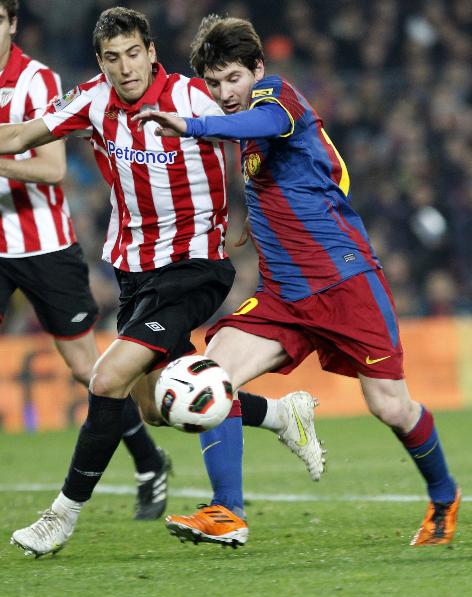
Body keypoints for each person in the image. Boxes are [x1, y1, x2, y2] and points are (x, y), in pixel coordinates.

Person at [5, 7, 324, 558]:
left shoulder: (193, 99)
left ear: (151, 52)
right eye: (112, 58)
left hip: (194, 268)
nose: (125, 68)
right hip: (132, 272)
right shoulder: (90, 99)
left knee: (106, 380)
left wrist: (260, 213)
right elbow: (21, 136)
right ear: (100, 63)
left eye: (133, 53)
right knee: (158, 407)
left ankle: (60, 517)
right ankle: (279, 414)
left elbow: (261, 127)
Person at [134, 14, 460, 548]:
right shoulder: (245, 128)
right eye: (214, 85)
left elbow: (260, 126)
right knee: (211, 376)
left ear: (257, 69)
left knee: (391, 408)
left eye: (233, 78)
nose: (225, 93)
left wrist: (191, 124)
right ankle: (226, 512)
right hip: (284, 296)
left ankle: (444, 496)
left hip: (345, 284)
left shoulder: (277, 96)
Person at [0, 0, 172, 523]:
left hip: (44, 247)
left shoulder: (36, 80)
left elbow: (52, 169)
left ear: (10, 23)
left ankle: (149, 462)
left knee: (85, 369)